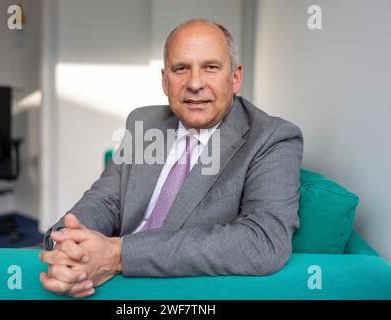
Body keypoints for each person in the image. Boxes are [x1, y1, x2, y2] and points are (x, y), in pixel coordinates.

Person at [39, 19, 303, 298]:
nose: (195, 84)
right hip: (97, 274)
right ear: (166, 81)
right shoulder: (144, 121)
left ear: (235, 77)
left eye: (211, 67)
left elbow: (262, 241)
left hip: (172, 288)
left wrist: (117, 254)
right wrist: (67, 244)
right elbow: (106, 199)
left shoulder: (272, 137)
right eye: (181, 69)